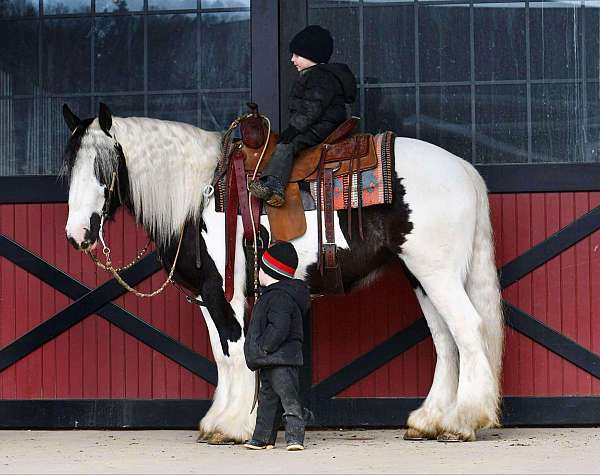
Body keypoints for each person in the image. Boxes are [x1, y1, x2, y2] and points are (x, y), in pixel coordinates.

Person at [248, 25, 357, 207]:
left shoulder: (320, 77)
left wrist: (293, 129)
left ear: (312, 55)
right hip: (321, 123)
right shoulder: (317, 75)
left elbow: (311, 108)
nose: (292, 59)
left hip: (323, 126)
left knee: (288, 145)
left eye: (297, 55)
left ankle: (273, 184)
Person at [243, 241, 311, 451]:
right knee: (267, 400)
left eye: (261, 269)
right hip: (270, 360)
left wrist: (263, 347)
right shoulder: (271, 295)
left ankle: (295, 438)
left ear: (270, 272)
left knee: (289, 399)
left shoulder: (280, 297)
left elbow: (279, 328)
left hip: (281, 359)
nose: (258, 273)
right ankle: (262, 438)